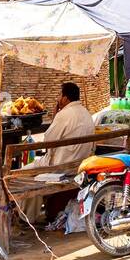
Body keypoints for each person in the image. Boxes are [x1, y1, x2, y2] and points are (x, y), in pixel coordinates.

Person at [20, 83, 97, 223]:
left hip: (61, 166)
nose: (58, 98)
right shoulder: (86, 112)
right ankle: (30, 214)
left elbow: (48, 140)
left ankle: (27, 217)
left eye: (59, 95)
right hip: (79, 164)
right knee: (33, 168)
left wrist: (56, 116)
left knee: (21, 173)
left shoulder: (64, 114)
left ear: (65, 98)